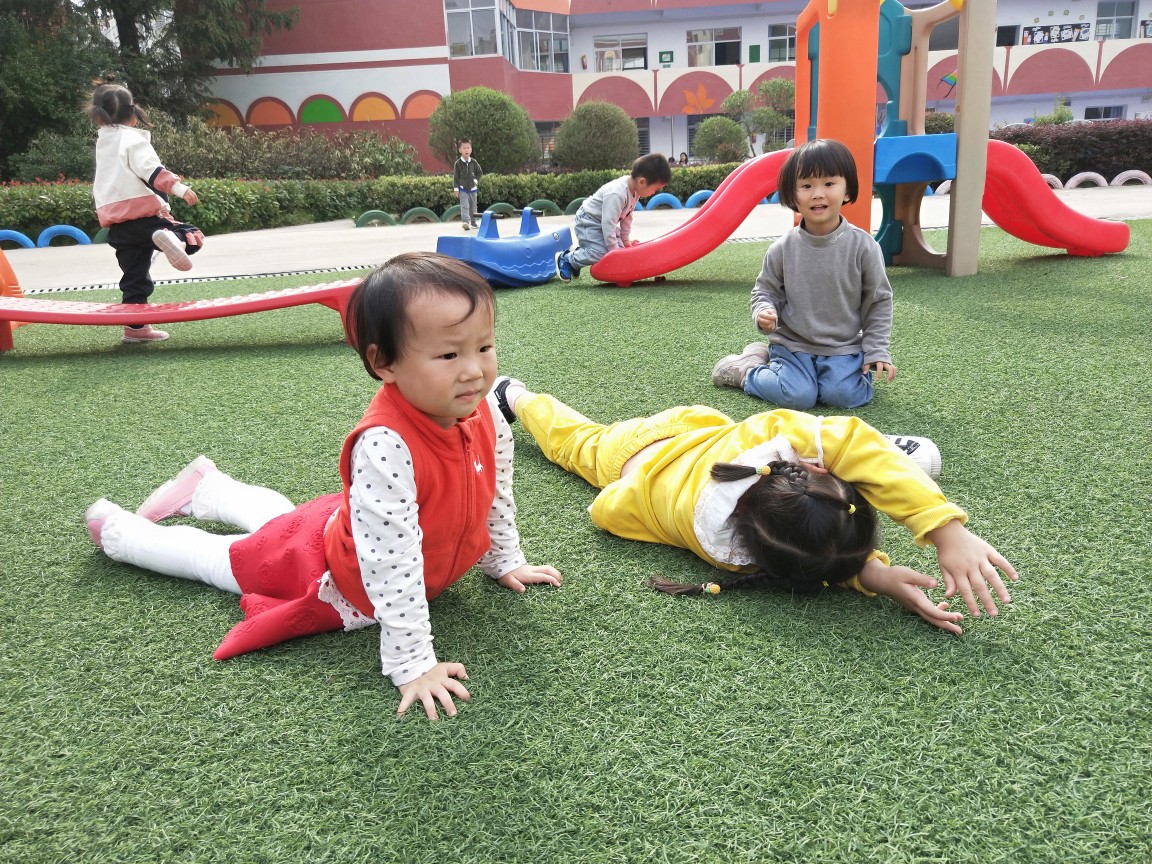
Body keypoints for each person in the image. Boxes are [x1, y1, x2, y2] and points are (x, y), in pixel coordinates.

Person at [84, 252, 562, 720]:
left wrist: (503, 559)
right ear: (384, 362)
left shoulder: (485, 412)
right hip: (337, 574)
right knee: (226, 561)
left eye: (484, 347)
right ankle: (120, 532)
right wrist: (413, 663)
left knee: (281, 524)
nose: (474, 370)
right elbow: (389, 563)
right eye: (449, 354)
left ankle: (208, 489)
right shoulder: (385, 446)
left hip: (353, 527)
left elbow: (494, 494)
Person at [492, 377, 1017, 634]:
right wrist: (878, 569)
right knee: (573, 443)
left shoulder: (770, 431)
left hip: (688, 432)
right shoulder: (724, 553)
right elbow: (606, 510)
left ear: (816, 470)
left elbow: (851, 442)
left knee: (572, 436)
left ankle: (514, 395)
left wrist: (938, 534)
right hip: (637, 466)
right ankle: (513, 396)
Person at [712, 138, 895, 410]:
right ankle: (746, 371)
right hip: (792, 345)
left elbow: (879, 301)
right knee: (798, 397)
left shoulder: (864, 247)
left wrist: (876, 350)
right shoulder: (782, 248)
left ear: (847, 190)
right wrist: (764, 312)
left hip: (842, 348)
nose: (817, 194)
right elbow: (765, 291)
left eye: (829, 184)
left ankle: (828, 379)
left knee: (843, 396)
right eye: (806, 186)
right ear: (792, 194)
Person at [88, 83, 205, 344]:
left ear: (98, 117)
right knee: (191, 234)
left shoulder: (103, 142)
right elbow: (152, 171)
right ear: (133, 115)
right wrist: (179, 188)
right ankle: (172, 239)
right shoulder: (132, 140)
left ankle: (135, 328)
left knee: (134, 277)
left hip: (118, 227)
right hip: (146, 219)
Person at [554, 153, 673, 282]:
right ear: (642, 182)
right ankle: (567, 259)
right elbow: (608, 224)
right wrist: (614, 254)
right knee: (602, 253)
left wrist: (625, 240)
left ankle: (582, 254)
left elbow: (627, 216)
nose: (654, 193)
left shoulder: (635, 191)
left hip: (603, 222)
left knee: (622, 251)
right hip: (588, 221)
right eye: (655, 189)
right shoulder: (617, 194)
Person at [453, 138, 484, 231]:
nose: (466, 150)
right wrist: (456, 189)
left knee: (473, 207)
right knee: (465, 206)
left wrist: (476, 180)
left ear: (471, 149)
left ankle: (474, 222)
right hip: (463, 190)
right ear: (460, 150)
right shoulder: (458, 164)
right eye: (464, 148)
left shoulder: (474, 162)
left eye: (468, 148)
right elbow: (456, 177)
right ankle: (466, 222)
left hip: (473, 189)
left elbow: (480, 172)